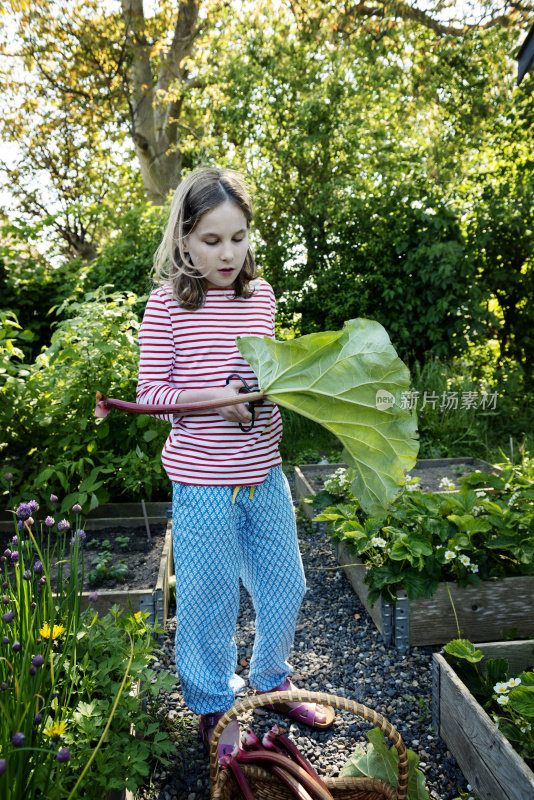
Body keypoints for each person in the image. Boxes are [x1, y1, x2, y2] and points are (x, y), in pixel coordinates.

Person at [136, 167, 334, 758]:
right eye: (212, 240)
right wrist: (217, 402)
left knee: (286, 585)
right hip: (202, 480)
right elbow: (150, 396)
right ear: (184, 241)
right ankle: (215, 705)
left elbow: (262, 378)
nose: (228, 253)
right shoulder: (167, 304)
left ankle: (271, 679)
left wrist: (264, 395)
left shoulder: (261, 295)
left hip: (264, 471)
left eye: (238, 238)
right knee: (210, 596)